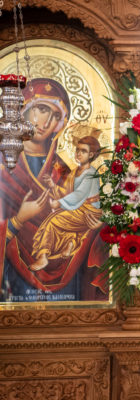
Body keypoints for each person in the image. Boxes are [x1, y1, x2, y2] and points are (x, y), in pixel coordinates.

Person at [0, 78, 106, 302]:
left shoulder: (64, 170)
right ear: (24, 109)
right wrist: (18, 220)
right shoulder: (3, 165)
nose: (46, 122)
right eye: (41, 109)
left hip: (67, 278)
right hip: (12, 280)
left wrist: (95, 227)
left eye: (56, 115)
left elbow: (83, 213)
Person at [30, 136, 102, 271]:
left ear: (91, 155)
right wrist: (53, 186)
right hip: (78, 208)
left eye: (83, 151)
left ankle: (43, 256)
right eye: (77, 150)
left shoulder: (91, 173)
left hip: (89, 212)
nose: (78, 153)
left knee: (53, 221)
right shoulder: (75, 172)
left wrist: (59, 203)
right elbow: (69, 193)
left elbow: (79, 195)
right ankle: (71, 242)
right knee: (61, 223)